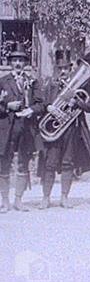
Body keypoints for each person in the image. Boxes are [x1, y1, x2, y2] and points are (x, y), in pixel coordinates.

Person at [38, 58, 90, 209]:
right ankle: (46, 198)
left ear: (70, 70)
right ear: (56, 70)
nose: (63, 71)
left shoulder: (80, 87)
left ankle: (64, 197)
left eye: (66, 69)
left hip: (72, 130)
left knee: (68, 163)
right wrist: (49, 107)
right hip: (54, 131)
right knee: (50, 164)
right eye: (60, 69)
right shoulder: (50, 86)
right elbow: (41, 103)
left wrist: (77, 102)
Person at [0, 43, 44, 212]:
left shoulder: (32, 82)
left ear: (25, 63)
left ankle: (18, 199)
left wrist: (30, 110)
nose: (18, 63)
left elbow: (41, 104)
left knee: (23, 164)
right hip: (6, 130)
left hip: (26, 129)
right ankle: (5, 201)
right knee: (4, 164)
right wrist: (7, 107)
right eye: (15, 60)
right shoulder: (3, 81)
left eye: (20, 60)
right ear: (10, 63)